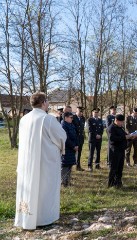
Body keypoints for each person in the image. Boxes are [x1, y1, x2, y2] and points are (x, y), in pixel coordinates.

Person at [15, 92, 66, 230]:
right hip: (45, 162)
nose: (48, 103)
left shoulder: (24, 119)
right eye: (47, 101)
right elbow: (61, 137)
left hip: (27, 162)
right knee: (45, 188)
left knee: (30, 187)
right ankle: (44, 219)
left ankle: (27, 218)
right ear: (43, 103)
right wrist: (59, 148)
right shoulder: (48, 119)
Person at [107, 114, 137, 188]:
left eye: (123, 122)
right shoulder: (111, 128)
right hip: (114, 151)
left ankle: (118, 183)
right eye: (121, 122)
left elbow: (126, 136)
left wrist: (131, 136)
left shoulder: (121, 128)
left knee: (120, 168)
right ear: (116, 121)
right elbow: (112, 139)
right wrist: (125, 137)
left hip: (121, 150)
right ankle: (111, 184)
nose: (122, 123)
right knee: (114, 168)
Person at [61, 112, 79, 187]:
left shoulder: (71, 124)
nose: (72, 119)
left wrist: (77, 145)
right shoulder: (63, 126)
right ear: (66, 118)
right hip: (67, 149)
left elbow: (75, 135)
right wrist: (73, 146)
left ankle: (68, 181)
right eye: (71, 117)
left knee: (70, 165)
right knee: (65, 165)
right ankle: (64, 182)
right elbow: (66, 138)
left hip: (72, 149)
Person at [72, 106, 86, 171]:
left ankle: (78, 165)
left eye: (82, 111)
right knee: (73, 152)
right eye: (80, 111)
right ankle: (70, 167)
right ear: (76, 111)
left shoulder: (83, 118)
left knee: (79, 152)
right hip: (75, 138)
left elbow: (82, 128)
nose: (81, 113)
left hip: (81, 138)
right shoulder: (73, 118)